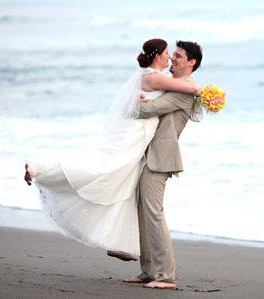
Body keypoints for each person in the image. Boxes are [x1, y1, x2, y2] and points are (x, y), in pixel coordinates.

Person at [23, 39, 200, 260]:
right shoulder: (155, 77)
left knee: (123, 183)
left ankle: (119, 244)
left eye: (175, 55)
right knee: (104, 170)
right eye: (167, 53)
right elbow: (190, 88)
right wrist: (207, 93)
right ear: (157, 57)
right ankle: (40, 167)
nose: (170, 57)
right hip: (133, 135)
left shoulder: (152, 77)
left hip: (140, 138)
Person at [123, 41, 203, 289]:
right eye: (172, 55)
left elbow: (149, 110)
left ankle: (166, 276)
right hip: (147, 153)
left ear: (191, 63)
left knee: (154, 214)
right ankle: (148, 271)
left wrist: (130, 101)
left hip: (161, 157)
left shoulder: (185, 89)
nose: (172, 59)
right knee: (143, 213)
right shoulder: (174, 86)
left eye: (178, 56)